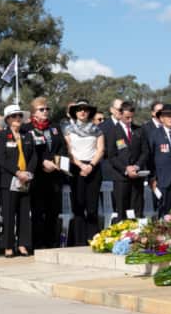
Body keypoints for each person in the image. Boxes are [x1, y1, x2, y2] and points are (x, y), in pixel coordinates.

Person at [23, 97, 68, 249]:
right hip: (37, 176)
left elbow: (62, 148)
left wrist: (55, 163)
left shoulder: (55, 128)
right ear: (34, 113)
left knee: (53, 211)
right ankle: (38, 243)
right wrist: (43, 162)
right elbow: (28, 151)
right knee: (37, 212)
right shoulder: (27, 128)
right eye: (41, 109)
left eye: (47, 109)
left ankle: (51, 242)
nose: (45, 112)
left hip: (54, 175)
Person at [0, 104, 37, 256]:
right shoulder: (1, 135)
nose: (18, 118)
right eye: (14, 116)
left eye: (20, 116)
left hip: (25, 180)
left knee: (24, 214)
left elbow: (33, 156)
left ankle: (23, 245)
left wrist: (28, 173)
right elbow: (1, 158)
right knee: (8, 214)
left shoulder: (28, 135)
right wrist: (17, 172)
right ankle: (8, 246)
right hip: (9, 180)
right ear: (7, 119)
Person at [64, 100, 104, 246]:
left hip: (93, 169)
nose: (82, 112)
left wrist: (91, 165)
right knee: (78, 207)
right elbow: (68, 151)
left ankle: (94, 240)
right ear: (75, 112)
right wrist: (81, 165)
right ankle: (78, 241)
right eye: (79, 109)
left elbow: (100, 150)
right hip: (76, 168)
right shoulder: (68, 129)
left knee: (92, 208)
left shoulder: (97, 129)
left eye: (85, 109)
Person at [105, 101, 149, 218]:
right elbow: (111, 156)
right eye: (127, 118)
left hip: (137, 177)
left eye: (131, 117)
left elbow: (145, 152)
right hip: (121, 178)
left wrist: (136, 166)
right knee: (122, 211)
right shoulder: (112, 131)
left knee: (137, 210)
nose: (130, 120)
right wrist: (126, 169)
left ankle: (138, 235)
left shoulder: (139, 130)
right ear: (120, 114)